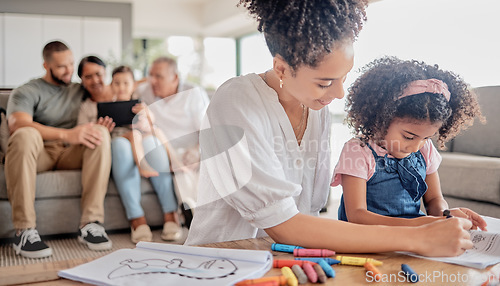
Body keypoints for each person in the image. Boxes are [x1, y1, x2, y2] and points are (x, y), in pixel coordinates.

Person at [185, 0, 474, 258]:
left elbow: (307, 216)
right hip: (224, 261)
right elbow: (285, 224)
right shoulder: (236, 102)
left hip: (290, 260)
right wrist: (418, 235)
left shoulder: (315, 107)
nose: (339, 93)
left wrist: (435, 220)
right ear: (282, 68)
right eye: (325, 82)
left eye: (344, 77)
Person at [331, 57, 488, 230]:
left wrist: (447, 215)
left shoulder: (425, 149)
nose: (415, 147)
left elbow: (434, 200)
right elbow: (356, 216)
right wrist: (417, 224)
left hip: (414, 235)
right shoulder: (358, 151)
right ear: (381, 118)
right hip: (368, 238)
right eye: (408, 136)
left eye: (427, 138)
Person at [5, 41, 112, 259]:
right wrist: (67, 134)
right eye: (62, 66)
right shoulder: (27, 91)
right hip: (40, 154)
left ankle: (90, 224)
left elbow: (116, 87)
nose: (70, 70)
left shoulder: (78, 90)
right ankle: (24, 231)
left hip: (69, 154)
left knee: (100, 133)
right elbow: (17, 123)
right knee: (25, 133)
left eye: (72, 64)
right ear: (46, 66)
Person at [111, 64, 184, 243]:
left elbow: (155, 130)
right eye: (116, 83)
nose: (121, 87)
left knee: (152, 141)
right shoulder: (104, 107)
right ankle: (136, 218)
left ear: (133, 85)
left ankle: (171, 214)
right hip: (121, 142)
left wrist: (147, 121)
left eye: (126, 83)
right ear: (111, 85)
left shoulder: (141, 105)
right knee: (120, 145)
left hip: (145, 140)